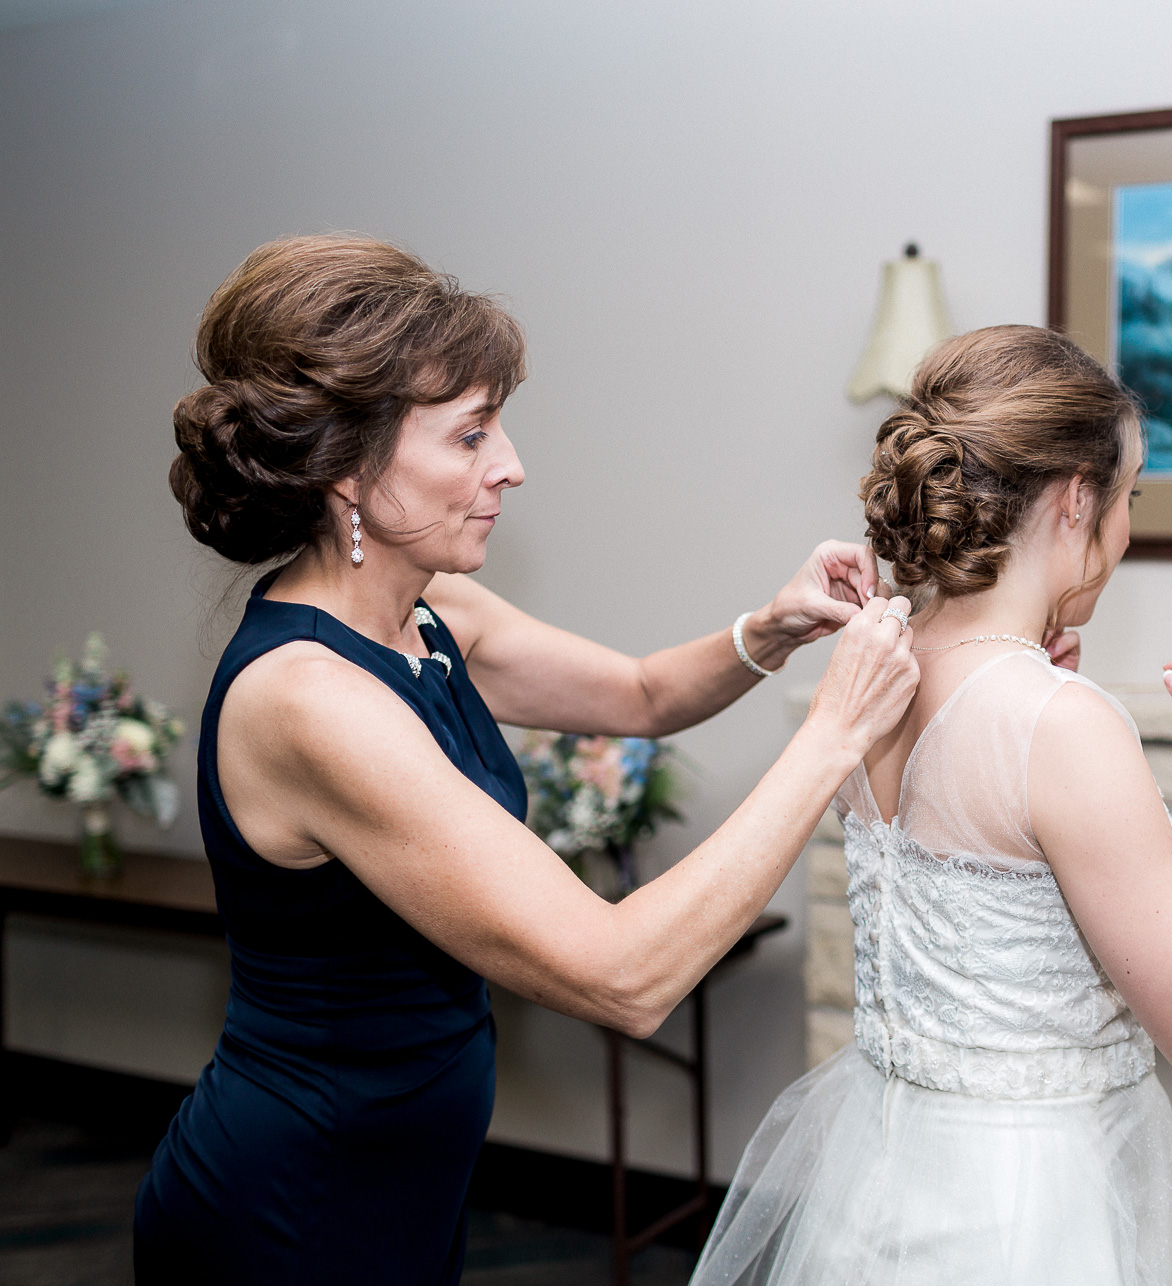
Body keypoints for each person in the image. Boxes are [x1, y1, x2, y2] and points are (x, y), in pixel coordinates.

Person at [134, 235, 919, 1285]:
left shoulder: (429, 612)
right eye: (469, 435)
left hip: (408, 1179)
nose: (510, 463)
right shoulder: (308, 700)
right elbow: (623, 974)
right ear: (346, 470)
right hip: (297, 1203)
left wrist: (770, 629)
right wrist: (834, 735)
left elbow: (641, 693)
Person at [690, 326, 1172, 1286]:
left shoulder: (867, 675)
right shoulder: (1059, 725)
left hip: (876, 1189)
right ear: (1073, 500)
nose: (1129, 530)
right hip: (1033, 1210)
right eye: (1128, 497)